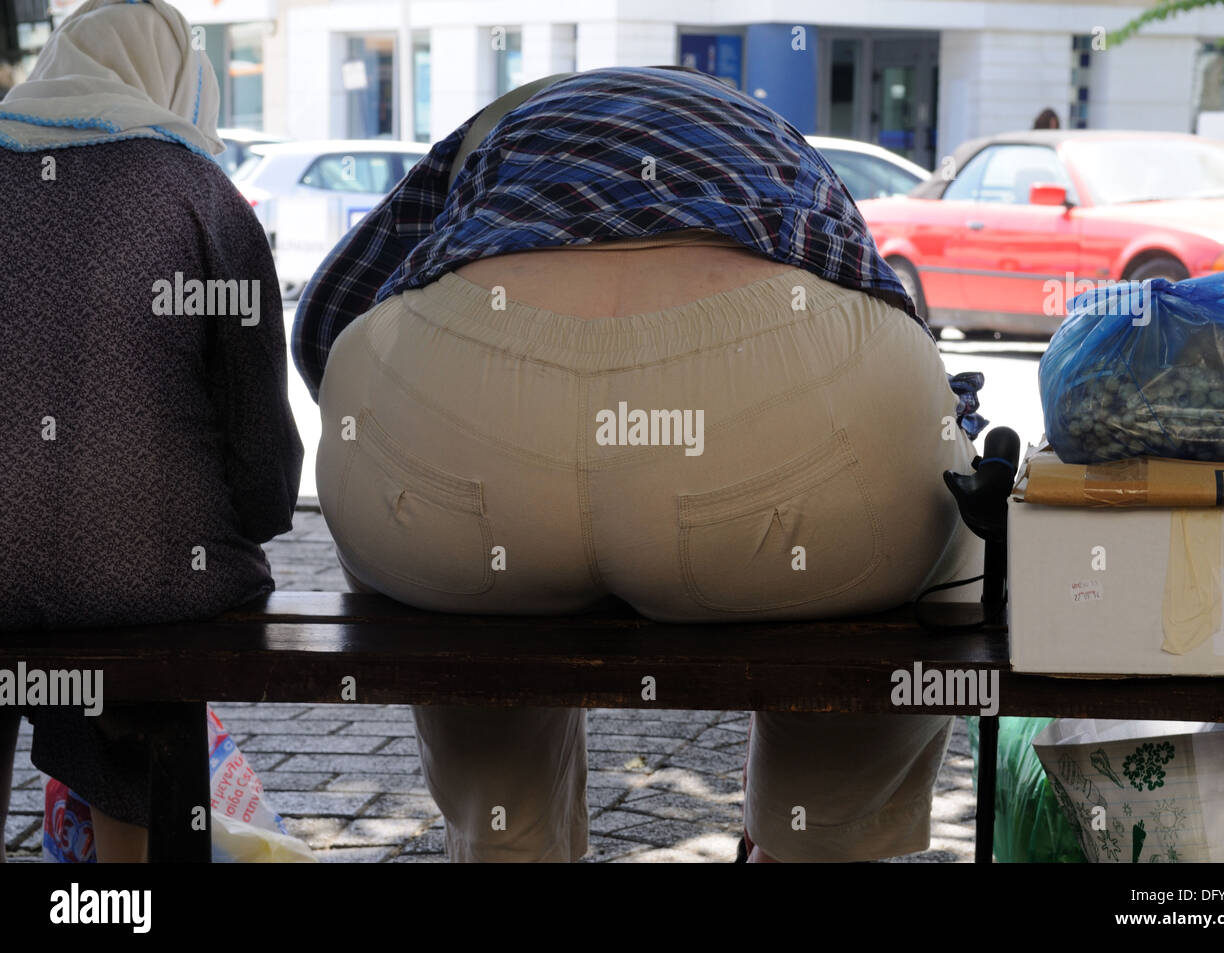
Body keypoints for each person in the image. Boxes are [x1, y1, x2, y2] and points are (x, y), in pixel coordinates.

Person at [295, 66, 985, 863]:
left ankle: (508, 836)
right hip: (775, 425)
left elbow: (328, 315)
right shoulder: (772, 144)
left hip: (467, 437)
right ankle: (816, 836)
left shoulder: (491, 135)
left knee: (450, 596)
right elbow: (874, 293)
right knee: (947, 514)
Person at [0, 0, 302, 862]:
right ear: (173, 79)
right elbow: (261, 452)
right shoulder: (201, 191)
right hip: (154, 576)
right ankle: (123, 874)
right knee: (124, 588)